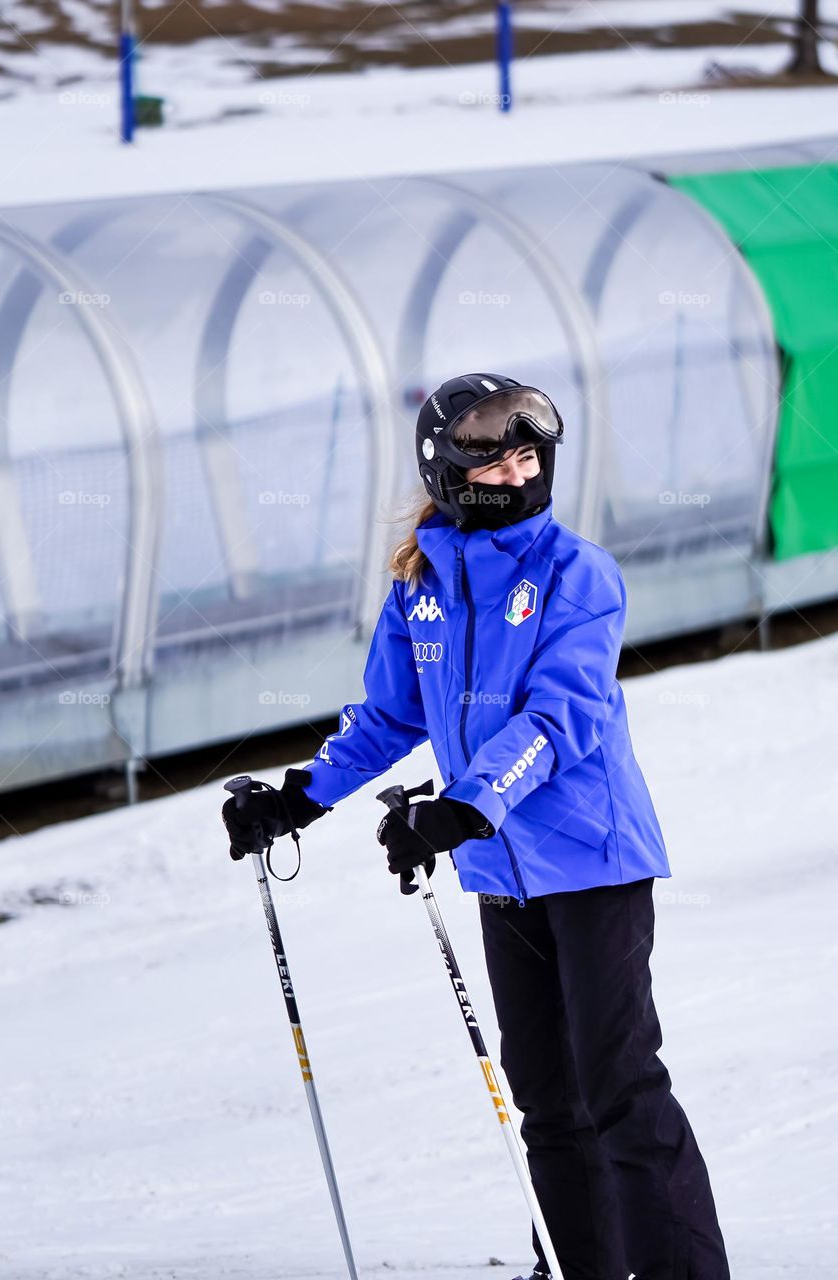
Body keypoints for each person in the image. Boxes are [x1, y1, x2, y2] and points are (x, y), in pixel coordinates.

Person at [222, 373, 731, 1280]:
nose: (518, 474)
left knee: (619, 1087)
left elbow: (560, 715)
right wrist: (300, 798)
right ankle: (583, 1265)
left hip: (592, 856)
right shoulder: (424, 582)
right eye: (497, 459)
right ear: (449, 470)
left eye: (531, 457)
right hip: (498, 868)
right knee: (544, 1096)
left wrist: (464, 806)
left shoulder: (575, 573)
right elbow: (388, 715)